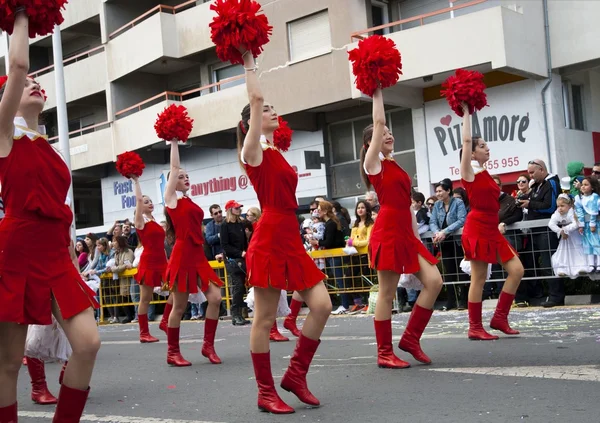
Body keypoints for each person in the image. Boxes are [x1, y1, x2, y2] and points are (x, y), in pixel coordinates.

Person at [0, 10, 100, 421]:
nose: (34, 82)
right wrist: (22, 11)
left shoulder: (51, 147)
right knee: (7, 363)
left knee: (88, 343)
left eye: (40, 83)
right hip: (17, 249)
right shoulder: (4, 134)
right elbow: (20, 63)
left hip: (56, 253)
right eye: (25, 84)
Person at [238, 47, 331, 414]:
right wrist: (249, 59)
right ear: (252, 121)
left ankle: (295, 375)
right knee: (264, 318)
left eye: (273, 109)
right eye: (265, 110)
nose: (272, 111)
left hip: (290, 236)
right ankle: (265, 392)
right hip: (269, 237)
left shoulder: (274, 150)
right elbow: (256, 96)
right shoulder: (253, 152)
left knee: (321, 306)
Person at [361, 87, 442, 369]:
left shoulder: (394, 163)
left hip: (406, 232)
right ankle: (384, 352)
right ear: (371, 142)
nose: (388, 134)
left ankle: (410, 339)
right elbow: (379, 120)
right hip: (388, 231)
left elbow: (408, 205)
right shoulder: (373, 164)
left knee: (434, 282)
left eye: (389, 131)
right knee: (386, 293)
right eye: (382, 133)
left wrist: (418, 236)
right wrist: (377, 90)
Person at [459, 103, 524, 340]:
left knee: (516, 270)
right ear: (472, 152)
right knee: (479, 278)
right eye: (483, 146)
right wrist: (466, 112)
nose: (488, 149)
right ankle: (475, 326)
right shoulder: (468, 171)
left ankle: (499, 317)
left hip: (491, 226)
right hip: (477, 227)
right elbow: (466, 142)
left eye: (487, 145)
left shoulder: (484, 172)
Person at [163, 139, 224, 367]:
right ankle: (172, 352)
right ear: (171, 181)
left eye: (187, 176)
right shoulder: (171, 200)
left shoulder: (188, 200)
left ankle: (208, 346)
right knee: (179, 306)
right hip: (182, 255)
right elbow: (174, 167)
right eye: (180, 176)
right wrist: (175, 142)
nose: (185, 177)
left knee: (216, 298)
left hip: (198, 255)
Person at [132, 176, 170, 343]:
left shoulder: (155, 220)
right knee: (145, 299)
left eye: (151, 201)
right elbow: (139, 199)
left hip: (162, 260)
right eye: (146, 202)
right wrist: (136, 181)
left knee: (177, 290)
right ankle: (143, 333)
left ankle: (165, 321)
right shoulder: (140, 221)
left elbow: (161, 245)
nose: (149, 203)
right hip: (148, 262)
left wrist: (168, 261)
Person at [520, 159, 561, 307]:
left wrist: (530, 204)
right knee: (536, 264)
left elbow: (550, 207)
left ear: (542, 170)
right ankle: (542, 294)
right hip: (536, 230)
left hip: (546, 230)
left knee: (548, 264)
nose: (530, 176)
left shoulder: (551, 183)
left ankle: (555, 296)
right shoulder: (538, 185)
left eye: (532, 172)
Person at [220, 199, 250, 326]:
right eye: (236, 208)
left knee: (242, 286)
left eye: (239, 208)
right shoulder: (224, 225)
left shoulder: (241, 223)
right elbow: (225, 245)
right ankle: (235, 314)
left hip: (242, 258)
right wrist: (240, 253)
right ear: (230, 210)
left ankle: (240, 314)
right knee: (238, 286)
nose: (239, 210)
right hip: (232, 259)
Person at [550, 194, 589, 277]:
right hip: (565, 237)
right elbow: (551, 224)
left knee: (578, 250)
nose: (560, 208)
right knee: (562, 252)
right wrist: (560, 231)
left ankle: (582, 267)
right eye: (558, 206)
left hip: (575, 235)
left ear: (569, 205)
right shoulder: (557, 213)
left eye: (562, 206)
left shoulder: (572, 212)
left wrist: (566, 229)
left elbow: (576, 223)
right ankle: (562, 269)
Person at [574, 177, 600, 272]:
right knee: (587, 244)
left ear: (592, 187)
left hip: (595, 224)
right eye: (582, 184)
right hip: (585, 225)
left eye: (586, 185)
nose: (583, 187)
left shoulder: (594, 197)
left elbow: (594, 211)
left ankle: (598, 263)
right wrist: (581, 225)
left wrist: (592, 224)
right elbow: (579, 211)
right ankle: (591, 264)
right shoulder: (578, 198)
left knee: (597, 242)